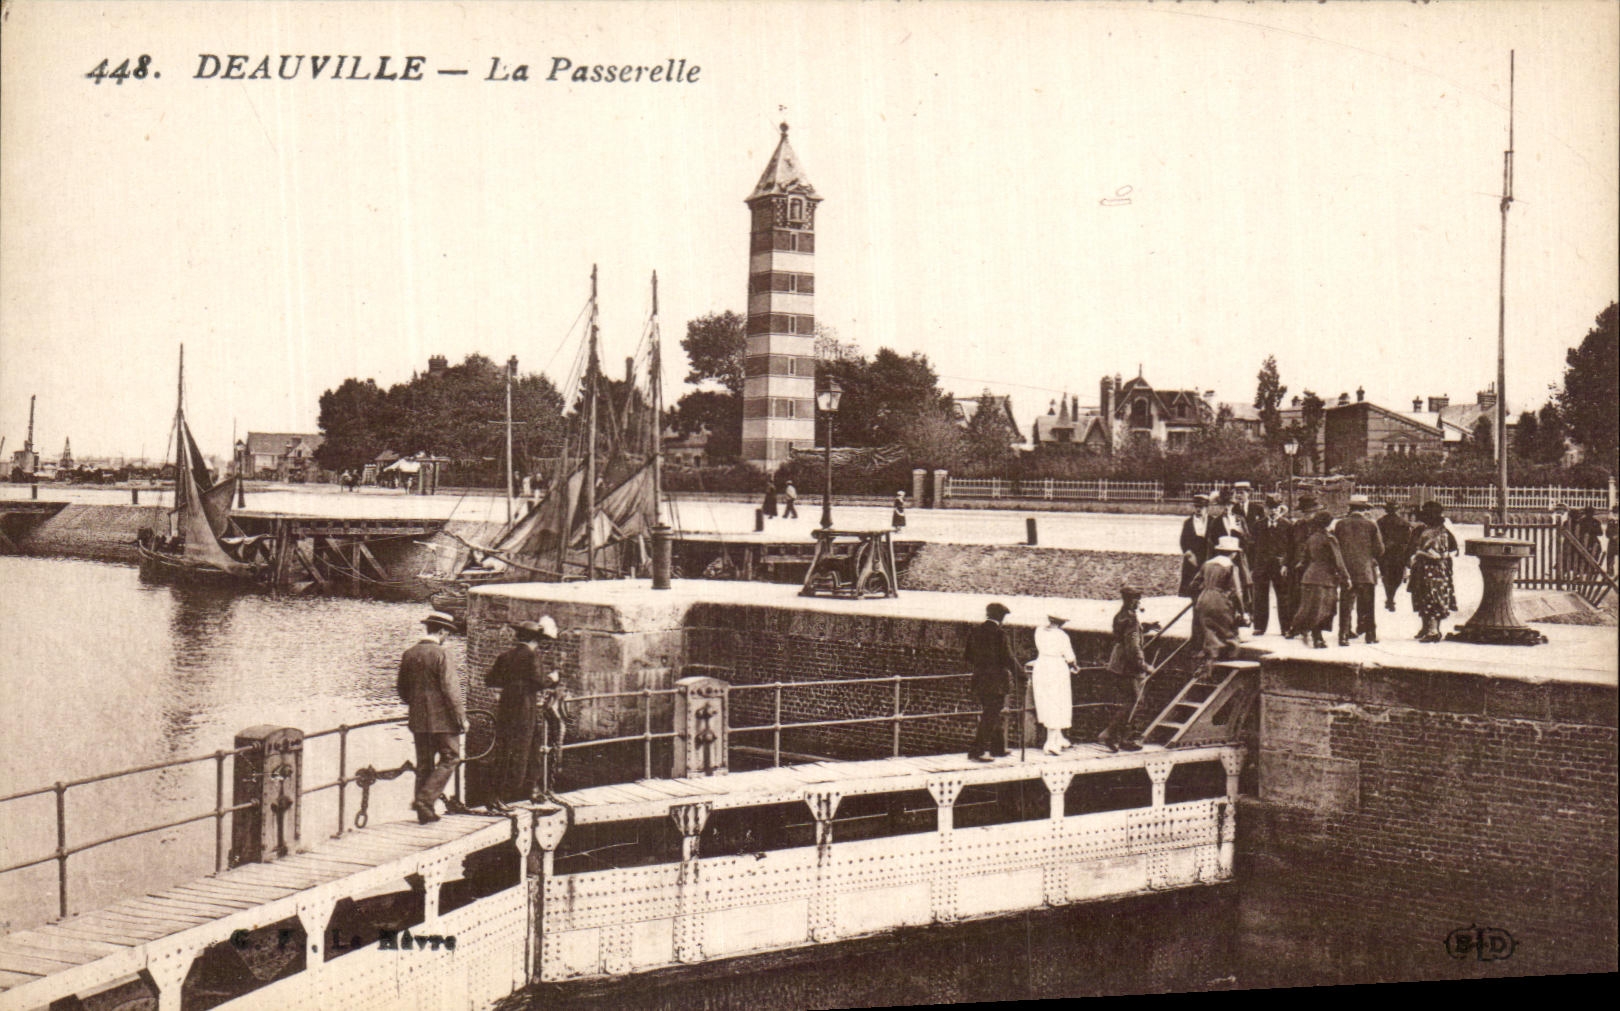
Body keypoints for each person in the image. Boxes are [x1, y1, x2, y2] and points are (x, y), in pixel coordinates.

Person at [397, 611, 466, 823]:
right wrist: (461, 718)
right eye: (448, 633)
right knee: (451, 757)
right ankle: (425, 800)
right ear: (442, 631)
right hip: (443, 721)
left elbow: (402, 689)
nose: (447, 637)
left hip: (418, 721)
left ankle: (423, 813)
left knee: (424, 764)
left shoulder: (409, 653)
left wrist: (417, 706)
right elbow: (451, 690)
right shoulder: (442, 655)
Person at [485, 617, 560, 808]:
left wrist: (513, 684)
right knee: (529, 749)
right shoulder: (531, 656)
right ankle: (523, 791)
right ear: (535, 640)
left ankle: (503, 793)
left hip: (506, 708)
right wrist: (552, 678)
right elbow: (538, 682)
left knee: (506, 750)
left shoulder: (505, 656)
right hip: (526, 710)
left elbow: (491, 680)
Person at [1099, 585, 1157, 752]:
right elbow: (1133, 647)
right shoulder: (1131, 619)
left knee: (1129, 702)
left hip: (1117, 663)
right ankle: (1116, 736)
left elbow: (1124, 633)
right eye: (1137, 599)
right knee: (1135, 703)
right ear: (1132, 601)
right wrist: (1144, 666)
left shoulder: (1121, 616)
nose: (1139, 602)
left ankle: (1116, 736)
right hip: (1128, 666)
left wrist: (1145, 627)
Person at [964, 602, 1023, 762]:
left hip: (980, 679)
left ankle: (997, 748)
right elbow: (1008, 658)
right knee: (991, 715)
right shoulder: (1000, 634)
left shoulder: (975, 632)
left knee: (992, 713)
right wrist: (1022, 675)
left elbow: (968, 655)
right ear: (1001, 617)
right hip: (996, 681)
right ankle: (978, 751)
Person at [1292, 511, 1349, 649]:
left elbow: (1304, 560)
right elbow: (1338, 561)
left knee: (1313, 608)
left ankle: (1312, 635)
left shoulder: (1311, 538)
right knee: (1325, 610)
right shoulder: (1330, 538)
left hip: (1309, 577)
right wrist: (1346, 577)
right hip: (1325, 579)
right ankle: (1317, 638)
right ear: (1328, 524)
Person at [1334, 495, 1385, 645]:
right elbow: (1380, 550)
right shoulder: (1371, 525)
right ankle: (1370, 635)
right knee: (1368, 604)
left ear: (1350, 509)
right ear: (1364, 510)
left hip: (1347, 571)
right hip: (1366, 571)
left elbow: (1336, 547)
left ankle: (1343, 635)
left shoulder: (1340, 525)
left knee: (1346, 603)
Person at [1408, 501, 1459, 642]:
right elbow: (1411, 549)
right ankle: (1426, 628)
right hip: (1425, 569)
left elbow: (1454, 550)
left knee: (1434, 597)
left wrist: (1443, 555)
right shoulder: (1419, 531)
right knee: (1423, 596)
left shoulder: (1444, 532)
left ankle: (1433, 631)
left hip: (1437, 569)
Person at [1190, 535, 1247, 661]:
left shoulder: (1207, 564)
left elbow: (1193, 584)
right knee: (1228, 632)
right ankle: (1229, 659)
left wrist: (1202, 593)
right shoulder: (1231, 566)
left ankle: (1210, 659)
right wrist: (1243, 612)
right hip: (1220, 601)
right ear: (1233, 554)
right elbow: (1237, 592)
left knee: (1209, 631)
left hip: (1204, 598)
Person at [1030, 615, 1077, 754]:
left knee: (1045, 701)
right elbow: (1070, 657)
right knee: (1057, 702)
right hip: (1056, 668)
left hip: (1041, 666)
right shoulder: (1062, 635)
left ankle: (1059, 737)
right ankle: (1050, 743)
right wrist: (1074, 666)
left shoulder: (1039, 631)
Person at [1249, 496, 1289, 636]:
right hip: (1261, 566)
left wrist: (1286, 563)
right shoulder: (1258, 525)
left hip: (1280, 567)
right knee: (1260, 596)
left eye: (1276, 508)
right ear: (1265, 510)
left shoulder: (1287, 525)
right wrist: (1251, 566)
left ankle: (1286, 626)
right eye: (1270, 508)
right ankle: (1259, 626)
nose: (1273, 512)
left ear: (1280, 509)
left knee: (1283, 596)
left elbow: (1291, 548)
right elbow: (1251, 547)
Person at [1376, 499, 1412, 612]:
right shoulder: (1403, 523)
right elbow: (1407, 541)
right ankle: (1391, 598)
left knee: (1386, 576)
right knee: (1397, 577)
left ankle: (1389, 598)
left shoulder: (1380, 522)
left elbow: (1377, 538)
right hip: (1398, 554)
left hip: (1385, 554)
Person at [1179, 493, 1213, 598]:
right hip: (1192, 559)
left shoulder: (1213, 521)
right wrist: (1189, 554)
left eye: (1201, 507)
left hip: (1207, 557)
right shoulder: (1188, 522)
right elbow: (1183, 541)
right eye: (1196, 507)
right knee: (1191, 588)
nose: (1198, 509)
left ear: (1207, 508)